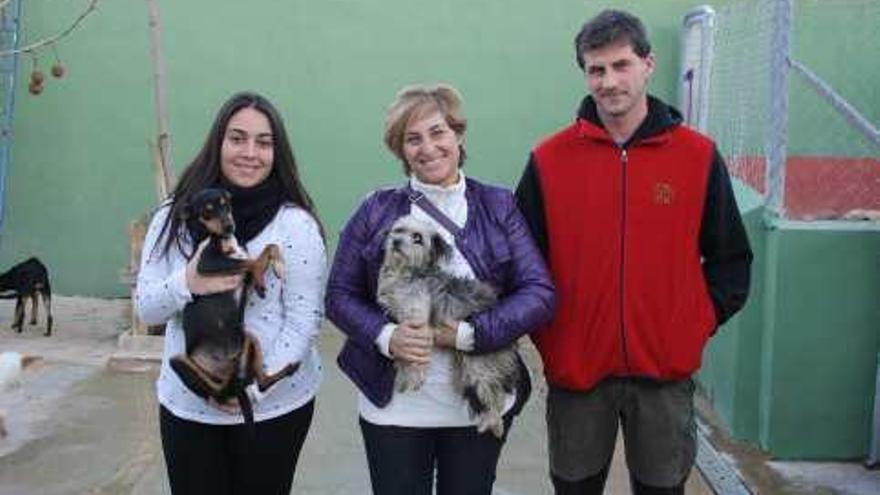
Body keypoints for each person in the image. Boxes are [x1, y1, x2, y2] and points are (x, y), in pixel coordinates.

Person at [515, 10, 753, 495]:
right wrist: (551, 335)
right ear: (584, 73)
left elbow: (730, 258)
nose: (609, 81)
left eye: (621, 65)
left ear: (648, 63)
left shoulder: (698, 156)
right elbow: (521, 262)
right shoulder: (548, 159)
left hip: (664, 378)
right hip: (578, 374)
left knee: (662, 489)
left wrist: (692, 324)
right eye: (596, 69)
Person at [325, 83, 555, 495]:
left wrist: (471, 334)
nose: (427, 148)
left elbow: (538, 293)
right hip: (395, 408)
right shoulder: (375, 210)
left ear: (458, 135)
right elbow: (339, 296)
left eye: (437, 132)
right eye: (413, 139)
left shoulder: (498, 205)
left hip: (476, 407)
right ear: (400, 150)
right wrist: (386, 335)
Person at [136, 92, 326, 494]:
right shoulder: (175, 216)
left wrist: (248, 387)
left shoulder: (294, 225)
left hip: (274, 409)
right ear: (218, 142)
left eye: (264, 141)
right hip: (189, 408)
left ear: (278, 151)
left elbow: (305, 320)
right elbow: (147, 309)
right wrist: (187, 282)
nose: (250, 152)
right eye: (237, 138)